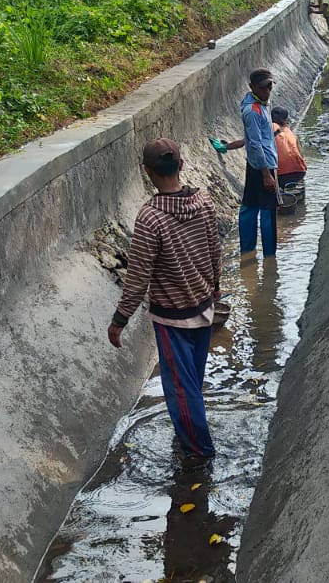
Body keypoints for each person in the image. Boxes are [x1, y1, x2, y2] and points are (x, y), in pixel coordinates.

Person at [107, 138, 222, 469]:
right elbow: (214, 250)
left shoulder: (150, 218)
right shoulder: (204, 202)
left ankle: (200, 454)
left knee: (181, 391)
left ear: (147, 172)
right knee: (192, 385)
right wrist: (215, 288)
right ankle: (188, 438)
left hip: (172, 319)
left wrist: (120, 319)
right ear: (182, 166)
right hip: (203, 308)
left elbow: (138, 276)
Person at [218, 68, 279, 258]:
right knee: (267, 212)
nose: (267, 91)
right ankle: (269, 257)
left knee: (250, 206)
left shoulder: (258, 103)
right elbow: (255, 143)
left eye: (270, 86)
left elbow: (253, 138)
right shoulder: (253, 111)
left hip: (257, 164)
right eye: (263, 87)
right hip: (262, 166)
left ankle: (248, 253)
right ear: (252, 87)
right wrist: (267, 175)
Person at [271, 106, 306, 188]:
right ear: (285, 120)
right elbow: (300, 153)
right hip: (300, 172)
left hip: (281, 173)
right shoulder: (290, 132)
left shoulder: (269, 127)